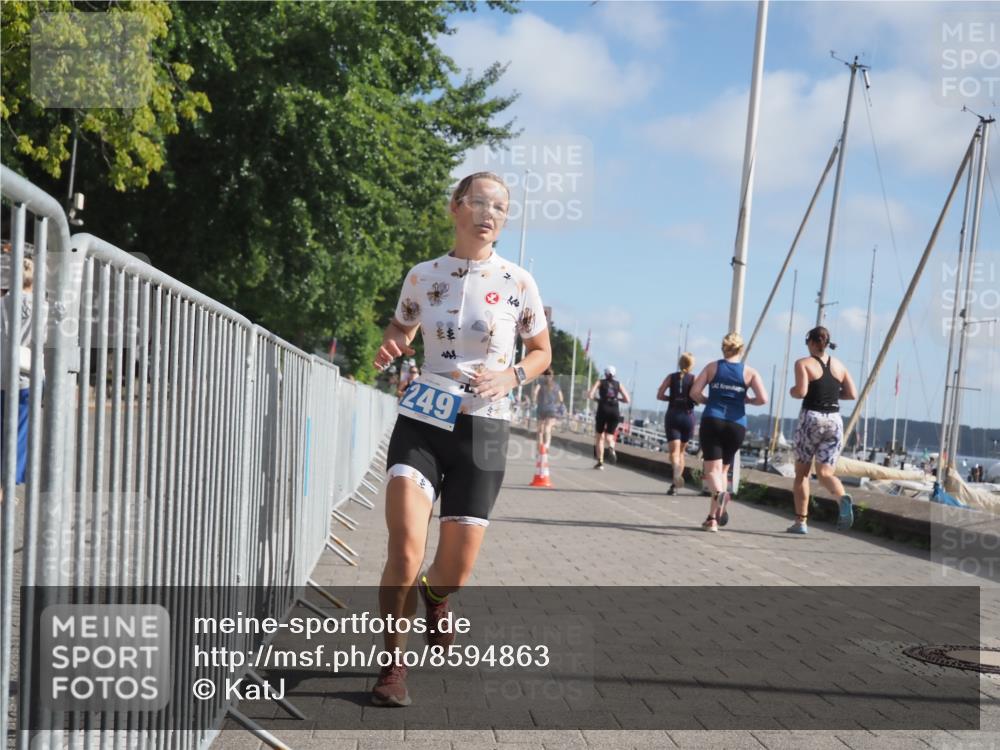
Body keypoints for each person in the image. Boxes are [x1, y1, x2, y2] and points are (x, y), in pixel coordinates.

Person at [370, 172, 551, 707]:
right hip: (424, 417)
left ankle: (435, 598)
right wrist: (392, 345)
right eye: (479, 202)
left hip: (489, 427)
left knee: (456, 570)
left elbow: (541, 352)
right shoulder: (423, 276)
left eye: (500, 206)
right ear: (456, 207)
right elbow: (401, 328)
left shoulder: (520, 282)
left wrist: (511, 376)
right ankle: (392, 665)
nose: (489, 213)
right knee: (405, 550)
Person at [689, 333, 767, 532]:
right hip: (737, 424)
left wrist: (708, 401)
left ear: (723, 348)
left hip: (713, 420)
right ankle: (712, 519)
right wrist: (748, 400)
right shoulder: (749, 372)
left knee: (711, 471)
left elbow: (694, 393)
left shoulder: (712, 367)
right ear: (741, 349)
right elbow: (763, 399)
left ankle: (720, 495)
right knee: (723, 470)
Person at [786, 326, 857, 534]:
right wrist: (834, 396)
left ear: (810, 342)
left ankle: (801, 522)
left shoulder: (803, 363)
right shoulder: (839, 365)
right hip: (835, 420)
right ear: (826, 343)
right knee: (825, 472)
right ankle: (841, 496)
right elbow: (851, 393)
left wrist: (792, 391)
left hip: (812, 418)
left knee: (802, 474)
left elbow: (801, 392)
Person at [1, 255, 47, 502]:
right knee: (19, 433)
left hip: (1, 374)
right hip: (26, 376)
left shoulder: (2, 303)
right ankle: (7, 485)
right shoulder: (42, 306)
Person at [657, 353, 696, 495]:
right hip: (688, 416)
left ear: (680, 363)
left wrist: (672, 398)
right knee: (681, 453)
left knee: (673, 452)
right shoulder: (694, 379)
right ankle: (675, 483)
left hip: (673, 415)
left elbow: (659, 395)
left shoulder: (670, 377)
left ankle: (675, 473)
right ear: (691, 365)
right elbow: (697, 397)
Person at [588, 366, 630, 470]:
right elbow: (627, 399)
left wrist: (597, 399)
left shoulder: (600, 382)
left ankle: (600, 462)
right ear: (614, 374)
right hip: (614, 410)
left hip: (603, 408)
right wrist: (618, 399)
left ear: (605, 374)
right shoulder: (618, 384)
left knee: (599, 437)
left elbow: (590, 395)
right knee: (609, 436)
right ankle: (611, 447)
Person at [532, 368, 564, 452]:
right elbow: (561, 398)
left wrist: (534, 401)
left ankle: (540, 449)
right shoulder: (556, 385)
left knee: (540, 431)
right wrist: (558, 405)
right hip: (552, 409)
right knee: (548, 427)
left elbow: (535, 392)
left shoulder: (540, 383)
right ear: (552, 376)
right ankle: (547, 445)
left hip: (541, 408)